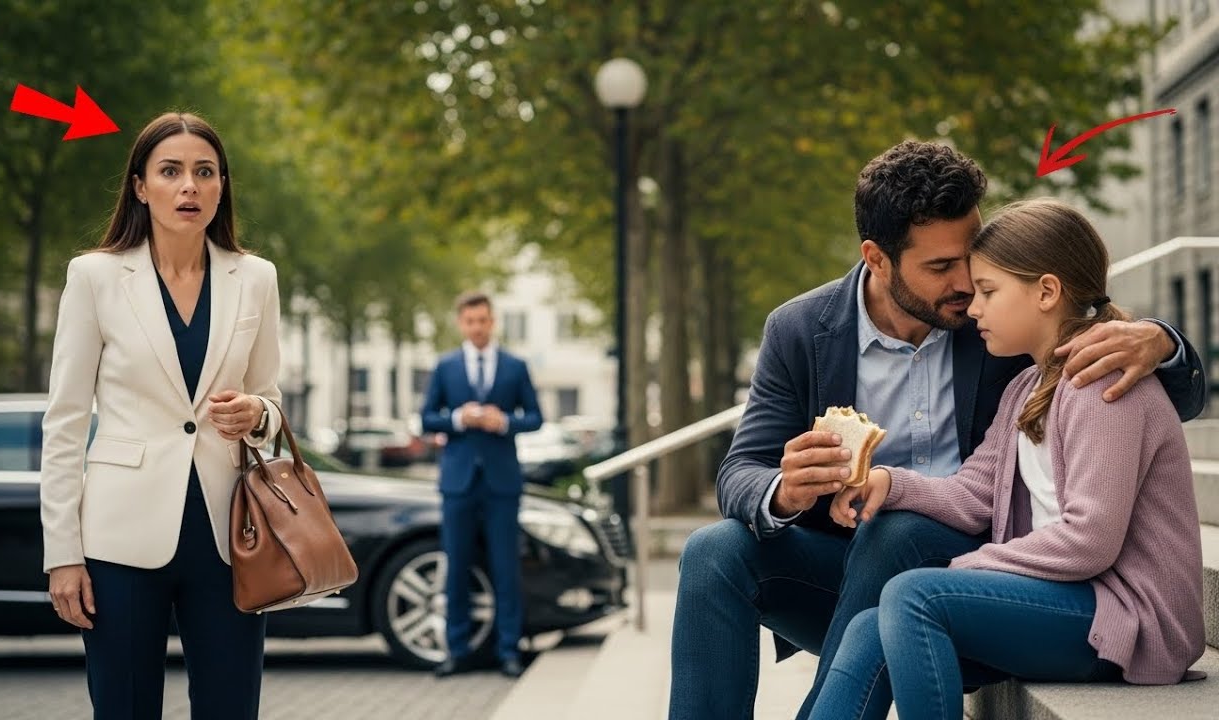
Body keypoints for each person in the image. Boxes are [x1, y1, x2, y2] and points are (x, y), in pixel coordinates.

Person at [667, 141, 1208, 720]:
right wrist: (789, 489)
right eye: (941, 267)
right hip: (867, 566)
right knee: (712, 550)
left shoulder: (1016, 331)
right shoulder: (801, 329)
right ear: (877, 258)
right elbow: (741, 471)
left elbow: (1119, 359)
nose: (968, 289)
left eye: (973, 265)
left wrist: (1163, 341)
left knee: (899, 539)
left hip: (991, 562)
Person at [810, 198, 1206, 719]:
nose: (973, 308)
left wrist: (963, 567)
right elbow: (975, 492)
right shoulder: (1027, 385)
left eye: (989, 292)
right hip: (1067, 602)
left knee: (912, 595)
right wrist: (889, 482)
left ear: (1046, 291)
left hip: (1128, 617)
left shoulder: (1102, 382)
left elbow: (1090, 539)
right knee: (869, 626)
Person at [41, 112, 284, 719]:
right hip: (119, 538)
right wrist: (62, 554)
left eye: (204, 172)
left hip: (230, 536)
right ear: (140, 185)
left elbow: (273, 403)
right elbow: (66, 421)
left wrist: (257, 411)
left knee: (231, 708)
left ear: (222, 185)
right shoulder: (94, 276)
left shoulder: (256, 279)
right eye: (170, 171)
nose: (189, 187)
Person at [421, 291, 543, 678]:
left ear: (493, 322)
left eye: (483, 320)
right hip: (457, 483)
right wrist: (459, 418)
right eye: (470, 321)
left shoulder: (515, 366)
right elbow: (427, 418)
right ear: (461, 323)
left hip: (502, 482)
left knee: (505, 568)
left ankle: (508, 651)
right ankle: (457, 651)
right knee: (456, 567)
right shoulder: (445, 367)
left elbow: (536, 417)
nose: (477, 327)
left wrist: (503, 421)